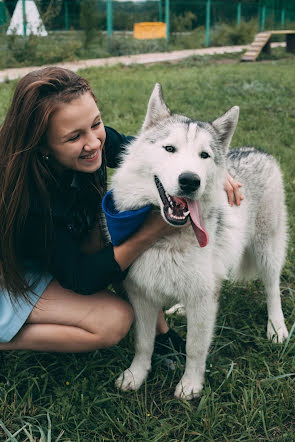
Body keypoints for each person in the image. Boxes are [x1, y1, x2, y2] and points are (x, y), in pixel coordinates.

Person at [0, 67, 243, 354]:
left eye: (96, 123)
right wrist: (150, 233)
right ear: (42, 145)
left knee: (112, 224)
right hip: (14, 275)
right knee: (113, 321)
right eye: (74, 137)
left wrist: (202, 166)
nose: (93, 143)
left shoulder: (93, 143)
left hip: (57, 254)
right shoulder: (28, 199)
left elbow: (144, 148)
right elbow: (81, 278)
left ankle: (160, 333)